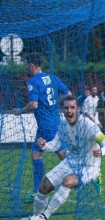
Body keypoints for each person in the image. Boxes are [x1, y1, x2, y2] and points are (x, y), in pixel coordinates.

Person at [16, 95, 105, 220]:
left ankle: (45, 216)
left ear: (78, 109)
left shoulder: (88, 125)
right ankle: (35, 216)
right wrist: (45, 146)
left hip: (89, 166)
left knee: (67, 181)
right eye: (66, 108)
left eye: (72, 107)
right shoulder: (62, 126)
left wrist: (101, 152)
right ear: (62, 110)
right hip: (70, 162)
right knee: (44, 187)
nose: (69, 110)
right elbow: (55, 145)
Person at [13, 53, 71, 203]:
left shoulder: (33, 82)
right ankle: (36, 192)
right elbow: (68, 94)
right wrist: (54, 104)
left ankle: (89, 174)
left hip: (46, 125)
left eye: (26, 63)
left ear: (32, 64)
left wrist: (20, 110)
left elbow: (33, 105)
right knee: (36, 155)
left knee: (63, 155)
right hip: (53, 122)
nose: (26, 66)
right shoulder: (52, 78)